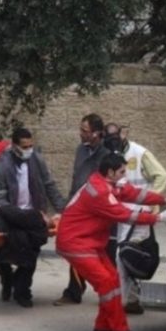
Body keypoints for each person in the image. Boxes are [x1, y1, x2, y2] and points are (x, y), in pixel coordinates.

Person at [55, 153, 166, 331]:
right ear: (110, 172)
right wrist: (158, 218)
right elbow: (124, 215)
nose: (124, 174)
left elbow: (135, 194)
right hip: (75, 242)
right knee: (107, 283)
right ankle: (120, 330)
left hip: (89, 241)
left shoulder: (109, 182)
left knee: (112, 280)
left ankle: (102, 327)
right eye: (122, 171)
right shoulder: (99, 192)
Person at [0, 128, 65, 307]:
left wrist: (63, 209)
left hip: (34, 214)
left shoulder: (37, 160)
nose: (28, 150)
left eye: (31, 146)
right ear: (14, 146)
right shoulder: (1, 166)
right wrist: (16, 216)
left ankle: (23, 292)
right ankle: (7, 279)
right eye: (24, 147)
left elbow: (49, 185)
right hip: (9, 215)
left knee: (31, 253)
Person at [103, 122, 166, 314]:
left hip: (139, 212)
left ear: (124, 135)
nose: (114, 142)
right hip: (122, 213)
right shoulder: (109, 155)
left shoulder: (139, 153)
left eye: (116, 138)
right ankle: (130, 300)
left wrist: (151, 201)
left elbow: (161, 176)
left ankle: (125, 301)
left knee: (126, 255)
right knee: (126, 255)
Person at [54, 113, 111, 306]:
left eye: (85, 130)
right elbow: (76, 178)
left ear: (96, 133)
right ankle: (74, 291)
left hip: (98, 211)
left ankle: (111, 290)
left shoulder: (106, 154)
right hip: (79, 209)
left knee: (102, 252)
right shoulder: (81, 150)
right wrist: (67, 206)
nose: (81, 133)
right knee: (77, 249)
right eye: (81, 129)